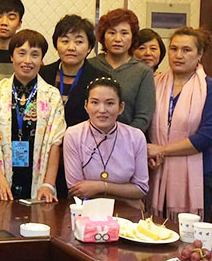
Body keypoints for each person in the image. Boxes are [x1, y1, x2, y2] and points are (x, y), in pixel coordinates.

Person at [147, 27, 212, 223]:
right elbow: (144, 124)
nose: (178, 55)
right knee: (154, 228)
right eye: (174, 49)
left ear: (199, 54)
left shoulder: (210, 89)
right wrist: (148, 152)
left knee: (190, 233)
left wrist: (162, 150)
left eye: (186, 50)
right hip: (155, 170)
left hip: (196, 173)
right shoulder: (153, 84)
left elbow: (207, 137)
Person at [0, 30, 66, 201]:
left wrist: (48, 184)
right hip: (1, 180)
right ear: (12, 57)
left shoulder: (52, 96)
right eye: (21, 53)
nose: (27, 61)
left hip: (39, 182)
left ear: (41, 60)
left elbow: (55, 143)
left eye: (34, 55)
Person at [40, 14, 105, 198]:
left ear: (89, 47)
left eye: (79, 41)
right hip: (44, 157)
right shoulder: (42, 74)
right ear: (56, 44)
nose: (71, 47)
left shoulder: (99, 79)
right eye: (65, 40)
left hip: (84, 157)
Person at [63, 77, 149, 209]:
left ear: (121, 107)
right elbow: (77, 190)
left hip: (127, 212)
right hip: (86, 211)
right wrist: (126, 196)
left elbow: (141, 189)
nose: (102, 110)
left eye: (109, 103)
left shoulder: (136, 137)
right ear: (86, 106)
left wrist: (100, 187)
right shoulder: (73, 134)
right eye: (95, 102)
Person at [89, 8, 156, 132]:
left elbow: (143, 117)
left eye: (124, 33)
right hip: (89, 137)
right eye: (112, 33)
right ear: (103, 36)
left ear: (133, 37)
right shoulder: (90, 65)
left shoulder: (143, 72)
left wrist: (120, 138)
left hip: (128, 140)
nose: (117, 39)